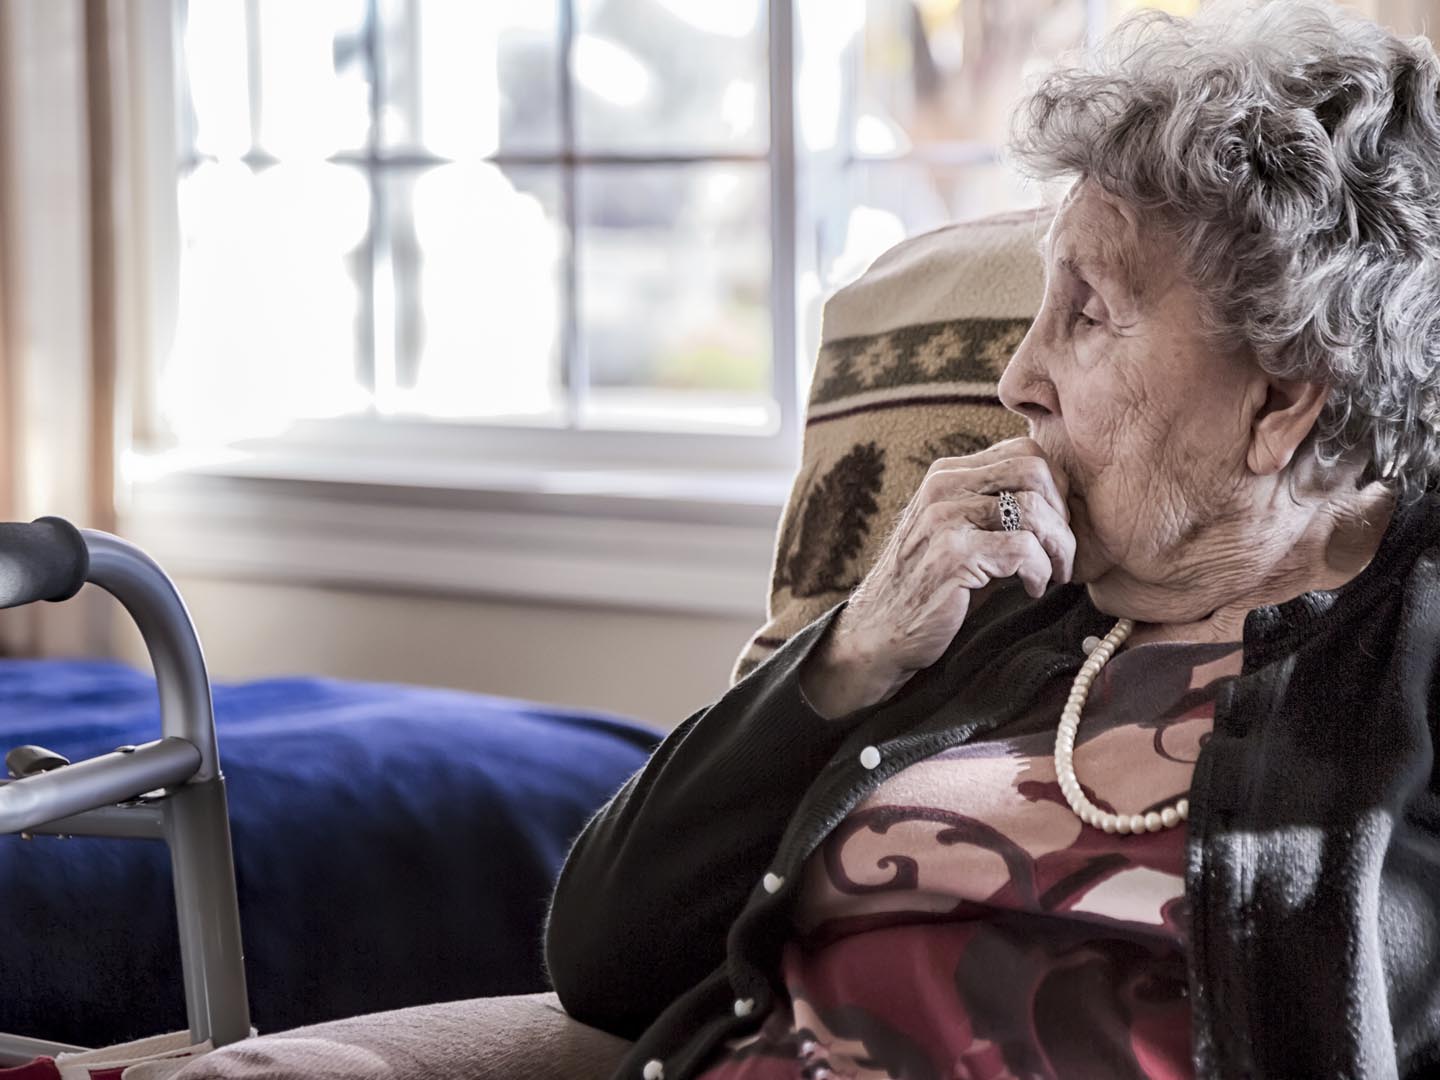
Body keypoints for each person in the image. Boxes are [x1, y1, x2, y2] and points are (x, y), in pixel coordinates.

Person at [542, 2, 1440, 1078]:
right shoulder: (1006, 573)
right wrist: (857, 647)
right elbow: (600, 956)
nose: (1016, 380)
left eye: (1089, 313)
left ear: (1283, 402)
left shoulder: (1405, 666)